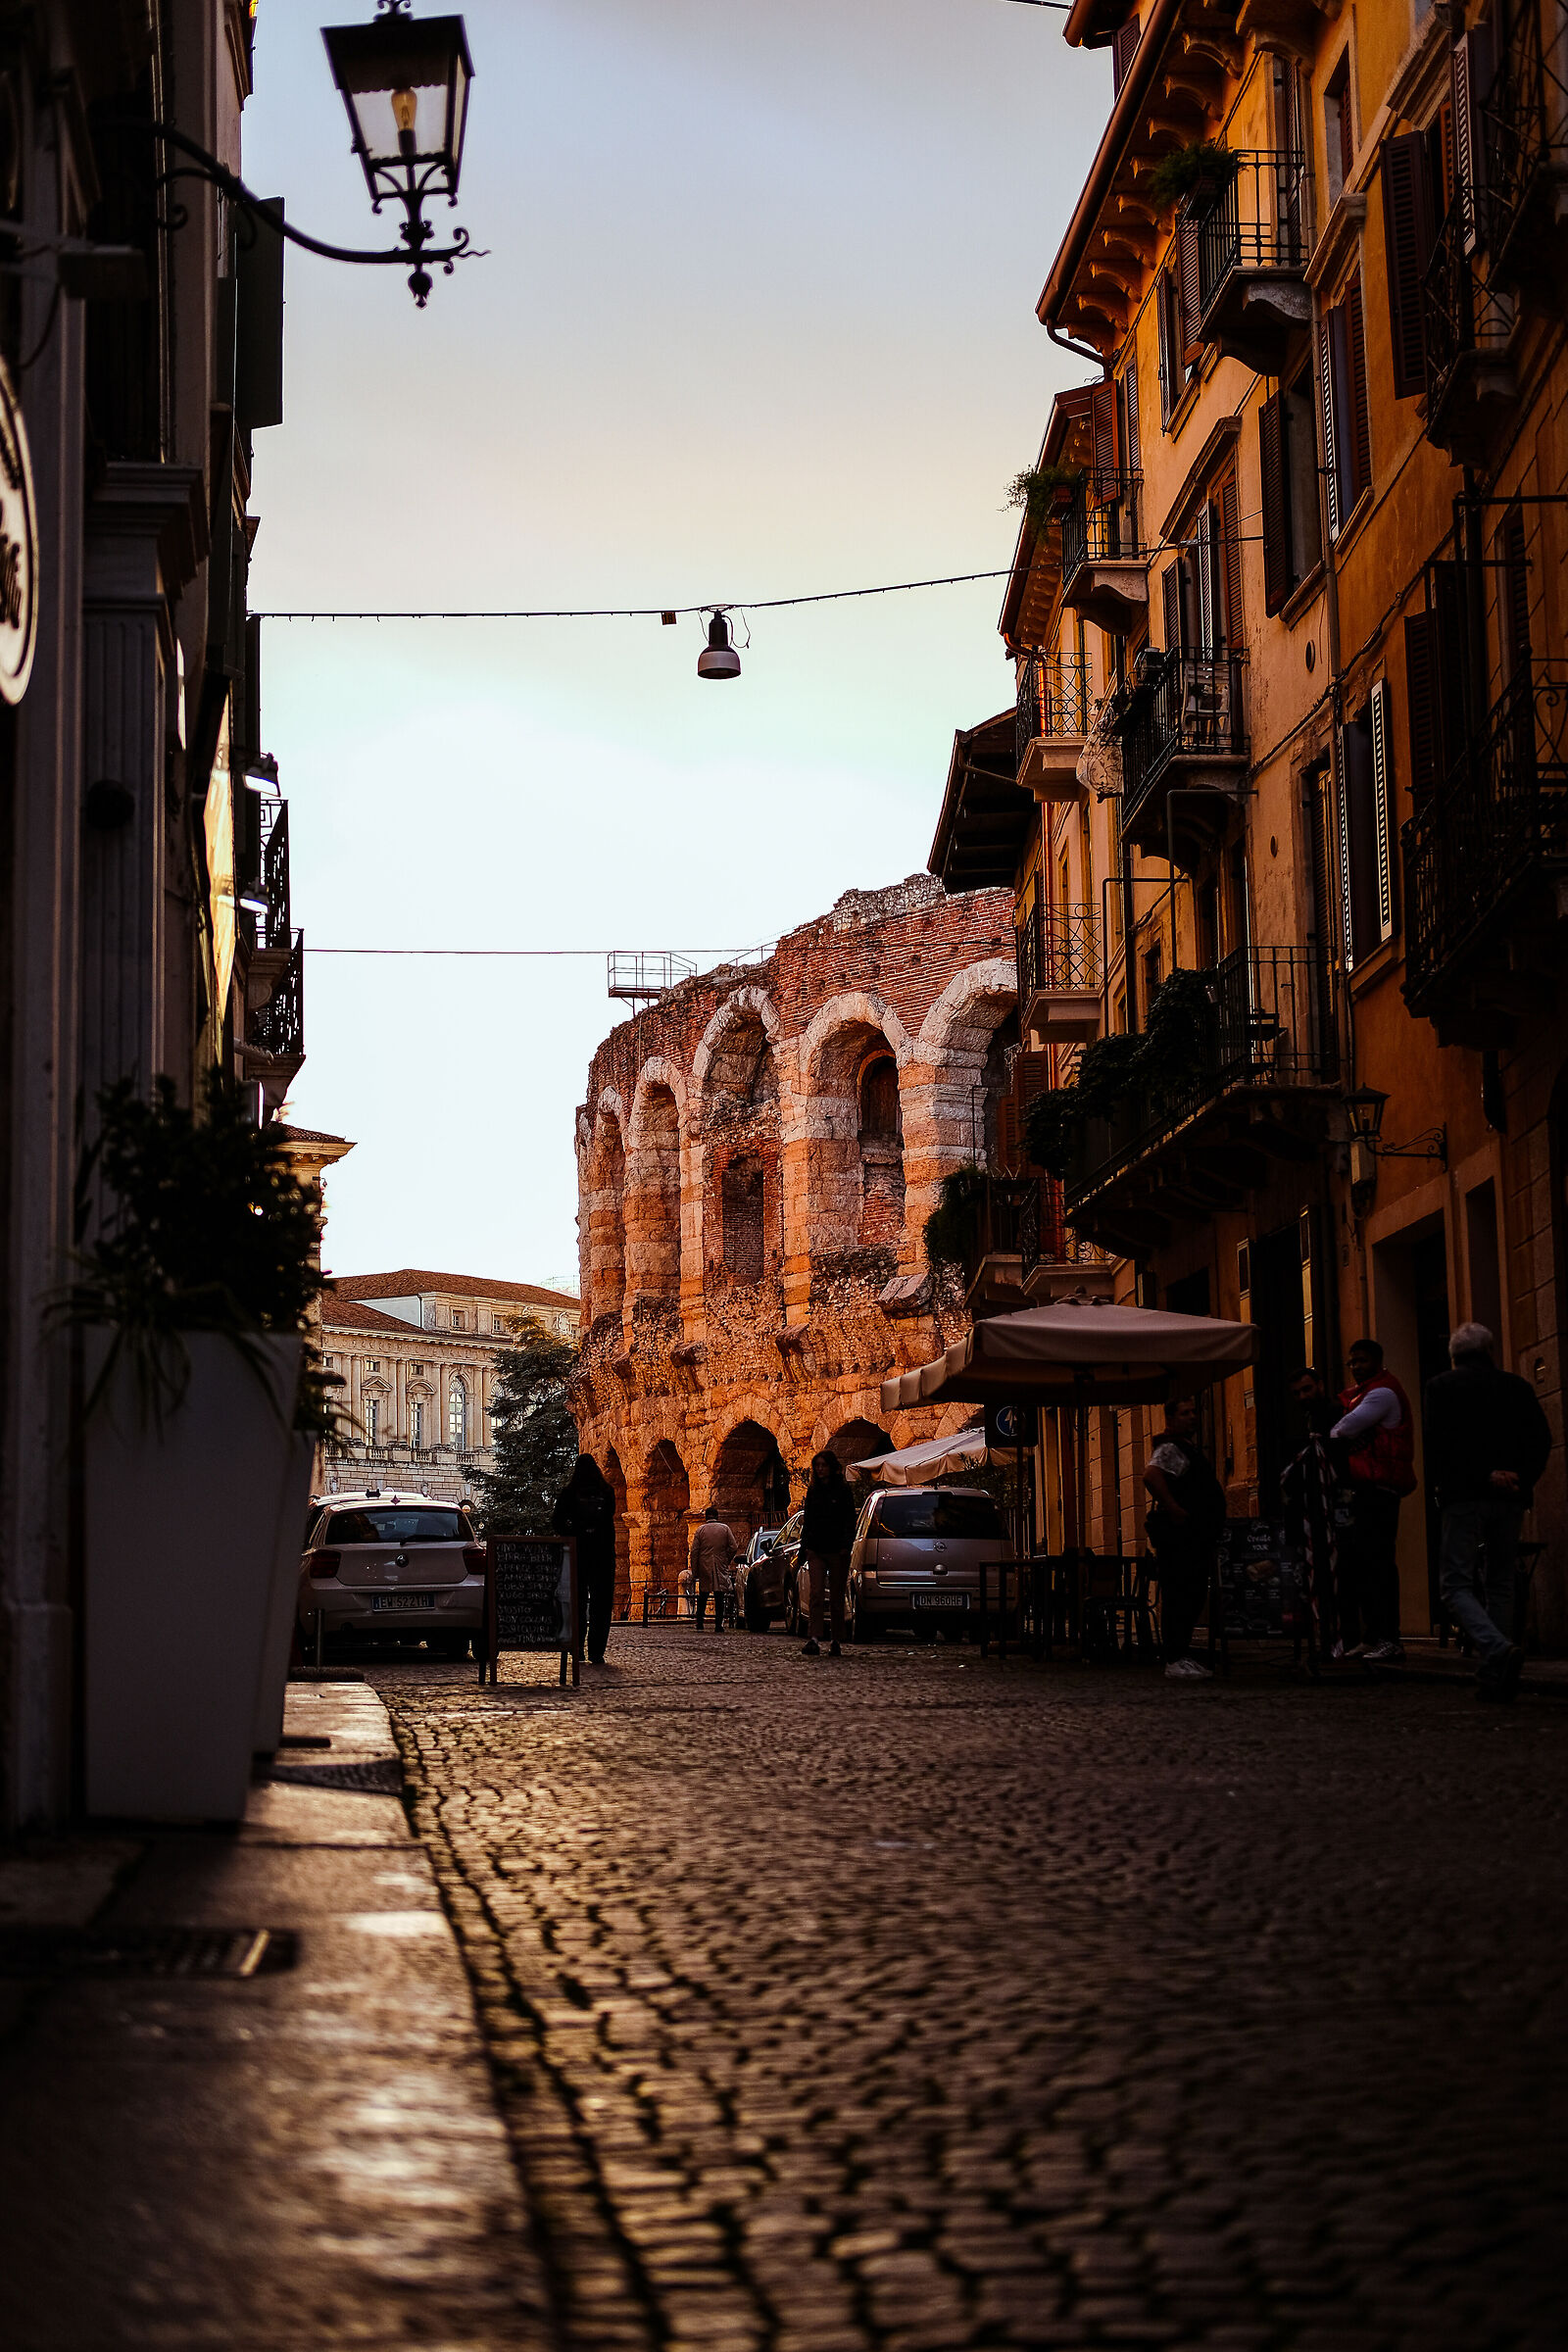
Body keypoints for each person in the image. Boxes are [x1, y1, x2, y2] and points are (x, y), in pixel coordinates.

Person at [1425, 1321, 1552, 1701]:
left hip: (1465, 1496)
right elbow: (1541, 1439)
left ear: (1453, 1356)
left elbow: (1440, 1445)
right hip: (1510, 1498)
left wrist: (1483, 1475)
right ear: (1490, 1351)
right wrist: (1521, 1478)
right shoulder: (1518, 1387)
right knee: (1500, 1582)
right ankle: (1496, 1672)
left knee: (1455, 1585)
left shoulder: (1441, 1387)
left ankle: (1496, 1649)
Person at [1331, 1338, 1416, 1663]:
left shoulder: (1381, 1393)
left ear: (1378, 1362)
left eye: (1362, 1361)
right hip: (1367, 1488)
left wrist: (1338, 1433)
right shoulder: (1365, 1394)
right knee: (1364, 1564)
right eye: (1352, 1362)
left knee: (1378, 1563)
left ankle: (1388, 1638)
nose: (1356, 1367)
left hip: (1380, 1489)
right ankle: (1373, 1636)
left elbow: (1343, 1430)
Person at [1144, 1396, 1226, 1681]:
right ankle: (1175, 1657)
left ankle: (1181, 1655)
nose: (1192, 1417)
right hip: (1181, 1539)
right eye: (1185, 1413)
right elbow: (1152, 1475)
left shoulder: (1185, 1447)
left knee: (1191, 1595)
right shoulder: (1170, 1447)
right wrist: (1174, 1508)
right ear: (1171, 1419)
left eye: (1193, 1412)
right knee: (1181, 1594)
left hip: (1193, 1536)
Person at [1284, 1368, 1348, 1653]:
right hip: (1313, 1511)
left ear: (1320, 1385)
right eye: (1297, 1393)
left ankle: (1341, 1636)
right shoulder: (1306, 1418)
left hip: (1333, 1507)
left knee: (1340, 1573)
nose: (1302, 1396)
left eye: (1307, 1389)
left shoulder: (1334, 1414)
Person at [552, 1456, 618, 1666]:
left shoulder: (570, 1493)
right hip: (602, 1554)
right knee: (602, 1604)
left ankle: (577, 1647)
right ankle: (597, 1651)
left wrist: (573, 1533)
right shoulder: (607, 1492)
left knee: (577, 1603)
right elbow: (609, 1520)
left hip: (578, 1553)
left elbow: (557, 1522)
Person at [801, 1449, 858, 1657]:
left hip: (837, 1550)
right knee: (815, 1593)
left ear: (831, 1467)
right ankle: (814, 1638)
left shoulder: (842, 1491)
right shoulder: (813, 1491)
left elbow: (849, 1520)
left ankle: (836, 1639)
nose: (820, 1469)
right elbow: (808, 1520)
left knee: (836, 1596)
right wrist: (805, 1547)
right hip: (816, 1548)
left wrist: (846, 1545)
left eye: (823, 1465)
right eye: (817, 1466)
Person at [688, 1504, 736, 1632]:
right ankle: (718, 1625)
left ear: (706, 1517)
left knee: (703, 1595)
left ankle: (700, 1622)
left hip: (705, 1565)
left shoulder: (700, 1530)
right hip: (720, 1563)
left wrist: (695, 1569)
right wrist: (726, 1559)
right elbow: (733, 1547)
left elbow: (694, 1551)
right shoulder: (724, 1529)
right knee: (719, 1596)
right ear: (717, 1516)